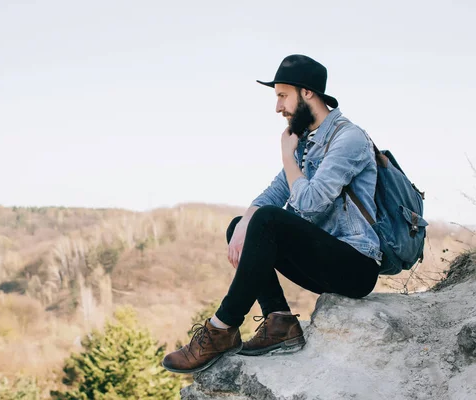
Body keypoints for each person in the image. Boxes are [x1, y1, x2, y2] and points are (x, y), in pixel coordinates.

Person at [162, 54, 383, 374]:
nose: (278, 107)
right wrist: (243, 225)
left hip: (356, 265)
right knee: (245, 223)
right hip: (325, 261)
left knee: (265, 219)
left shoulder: (348, 138)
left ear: (307, 93)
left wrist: (285, 153)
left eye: (282, 95)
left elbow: (308, 203)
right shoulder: (307, 142)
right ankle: (279, 322)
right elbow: (275, 193)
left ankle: (220, 330)